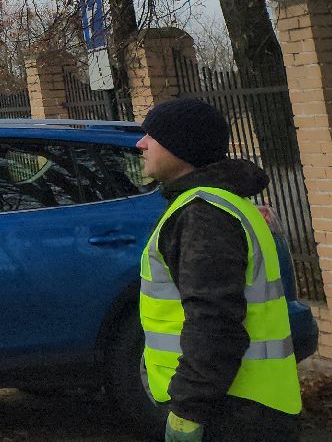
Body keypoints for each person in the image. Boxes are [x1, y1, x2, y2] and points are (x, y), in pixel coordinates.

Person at [136, 97, 302, 442]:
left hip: (229, 413)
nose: (141, 143)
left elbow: (214, 320)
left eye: (152, 135)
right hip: (244, 405)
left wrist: (188, 411)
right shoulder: (217, 203)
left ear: (182, 146)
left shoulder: (204, 214)